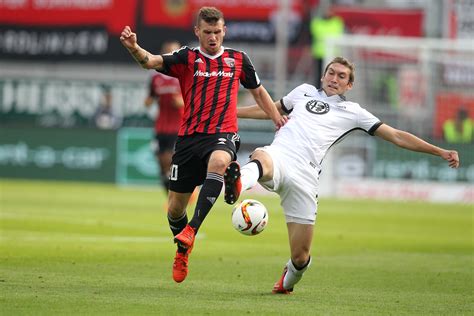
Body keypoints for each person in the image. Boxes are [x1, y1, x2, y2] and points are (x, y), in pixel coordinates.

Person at [223, 56, 460, 294]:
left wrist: (438, 150)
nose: (334, 79)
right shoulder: (303, 92)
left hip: (306, 175)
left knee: (300, 256)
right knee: (261, 157)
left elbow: (396, 136)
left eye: (341, 76)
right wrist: (231, 112)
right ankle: (239, 183)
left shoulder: (353, 112)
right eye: (331, 73)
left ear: (349, 85)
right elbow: (270, 109)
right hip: (280, 156)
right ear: (322, 76)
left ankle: (288, 280)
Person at [120, 6, 286, 283]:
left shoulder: (238, 59)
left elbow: (258, 91)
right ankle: (183, 250)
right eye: (207, 32)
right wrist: (133, 47)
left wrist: (276, 117)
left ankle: (193, 228)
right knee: (174, 209)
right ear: (197, 31)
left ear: (225, 31)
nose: (213, 37)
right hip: (188, 139)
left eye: (217, 32)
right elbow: (149, 61)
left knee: (220, 162)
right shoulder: (186, 57)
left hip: (222, 133)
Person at [144, 41, 184, 193]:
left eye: (173, 52)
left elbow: (194, 101)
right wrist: (148, 101)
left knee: (171, 161)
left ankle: (181, 194)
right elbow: (150, 97)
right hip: (161, 126)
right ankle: (169, 198)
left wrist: (182, 103)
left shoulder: (183, 73)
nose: (170, 55)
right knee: (162, 165)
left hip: (179, 126)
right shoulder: (155, 77)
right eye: (167, 52)